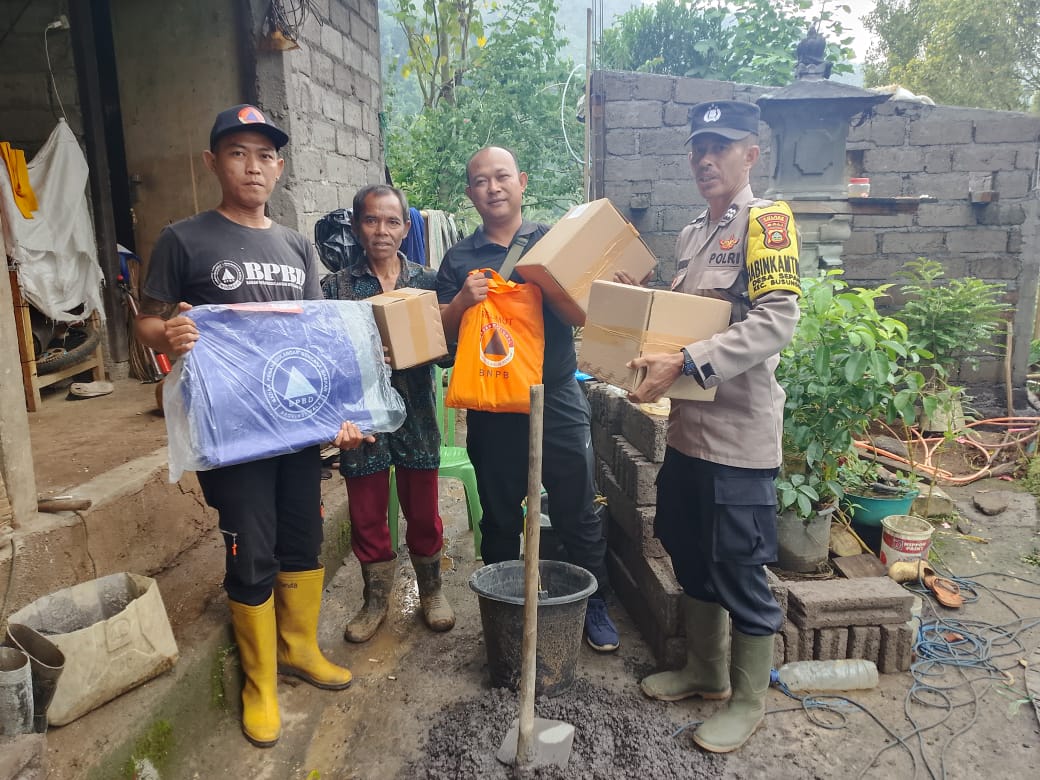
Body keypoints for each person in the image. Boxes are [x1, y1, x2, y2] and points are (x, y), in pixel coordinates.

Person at [136, 104, 370, 749]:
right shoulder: (185, 238)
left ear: (280, 167)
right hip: (232, 430)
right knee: (251, 546)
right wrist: (169, 334)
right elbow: (148, 320)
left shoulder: (295, 244)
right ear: (213, 163)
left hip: (294, 423)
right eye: (237, 153)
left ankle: (299, 649)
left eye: (265, 155)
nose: (253, 166)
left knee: (302, 535)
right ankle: (260, 683)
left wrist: (341, 414)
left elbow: (316, 337)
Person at [621, 100, 801, 754]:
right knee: (688, 548)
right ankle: (706, 671)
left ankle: (748, 700)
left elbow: (777, 321)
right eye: (698, 147)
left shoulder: (768, 223)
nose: (705, 158)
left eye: (720, 147)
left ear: (750, 154)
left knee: (738, 568)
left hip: (738, 441)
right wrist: (641, 301)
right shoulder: (693, 234)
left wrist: (688, 360)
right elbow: (687, 320)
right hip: (689, 433)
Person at [436, 146, 619, 652]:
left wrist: (614, 288)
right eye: (480, 181)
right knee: (499, 516)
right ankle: (503, 606)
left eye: (501, 177)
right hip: (492, 405)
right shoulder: (459, 259)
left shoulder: (554, 243)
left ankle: (593, 602)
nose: (492, 188)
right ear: (470, 192)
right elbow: (439, 339)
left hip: (555, 395)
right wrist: (461, 302)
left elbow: (590, 306)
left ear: (522, 181)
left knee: (577, 507)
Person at [321, 184, 454, 641]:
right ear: (357, 226)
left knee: (424, 512)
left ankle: (431, 591)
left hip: (417, 414)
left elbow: (448, 354)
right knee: (367, 513)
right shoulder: (336, 288)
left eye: (392, 221)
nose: (382, 230)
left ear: (406, 227)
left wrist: (416, 347)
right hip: (362, 418)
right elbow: (324, 361)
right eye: (372, 220)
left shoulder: (427, 282)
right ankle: (375, 600)